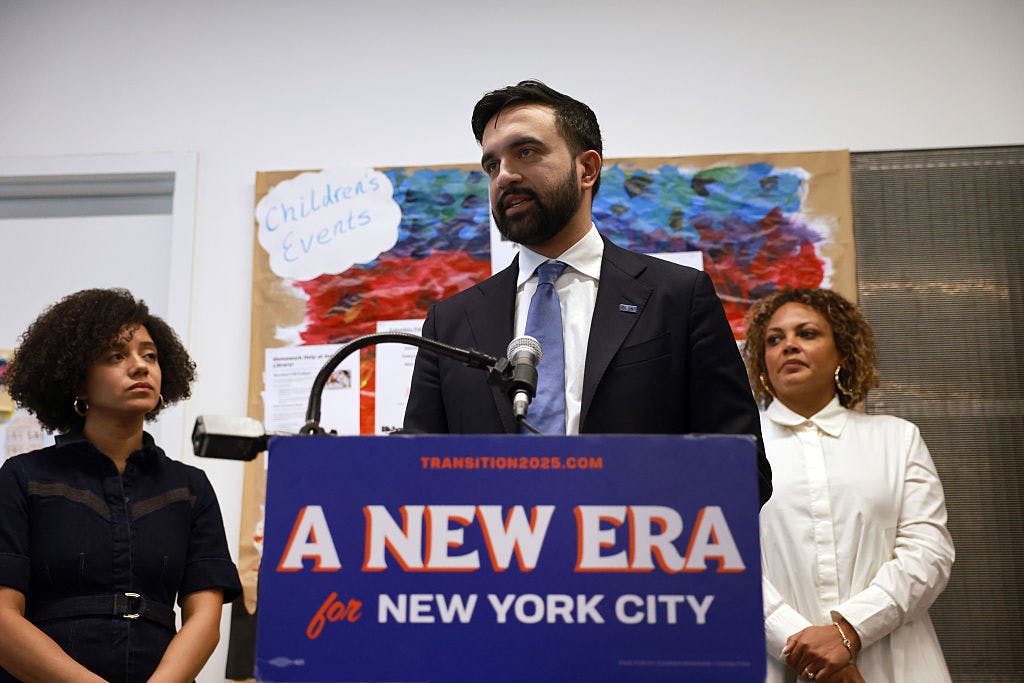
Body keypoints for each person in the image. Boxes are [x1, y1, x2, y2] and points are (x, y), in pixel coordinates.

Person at [403, 79, 771, 507]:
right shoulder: (449, 323)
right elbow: (417, 480)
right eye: (491, 165)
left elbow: (742, 470)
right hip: (494, 566)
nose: (505, 175)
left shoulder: (677, 297)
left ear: (587, 169)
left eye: (526, 152)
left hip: (638, 561)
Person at [0, 289, 242, 683]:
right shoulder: (23, 478)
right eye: (116, 356)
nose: (140, 367)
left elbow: (206, 618)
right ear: (77, 381)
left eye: (150, 355)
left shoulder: (189, 487)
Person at [743, 288, 954, 682]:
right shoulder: (735, 448)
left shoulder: (897, 438)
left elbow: (929, 553)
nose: (789, 345)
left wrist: (851, 631)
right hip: (771, 661)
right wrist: (805, 650)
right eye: (775, 339)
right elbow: (726, 559)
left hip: (893, 660)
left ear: (842, 352)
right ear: (761, 361)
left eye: (807, 334)